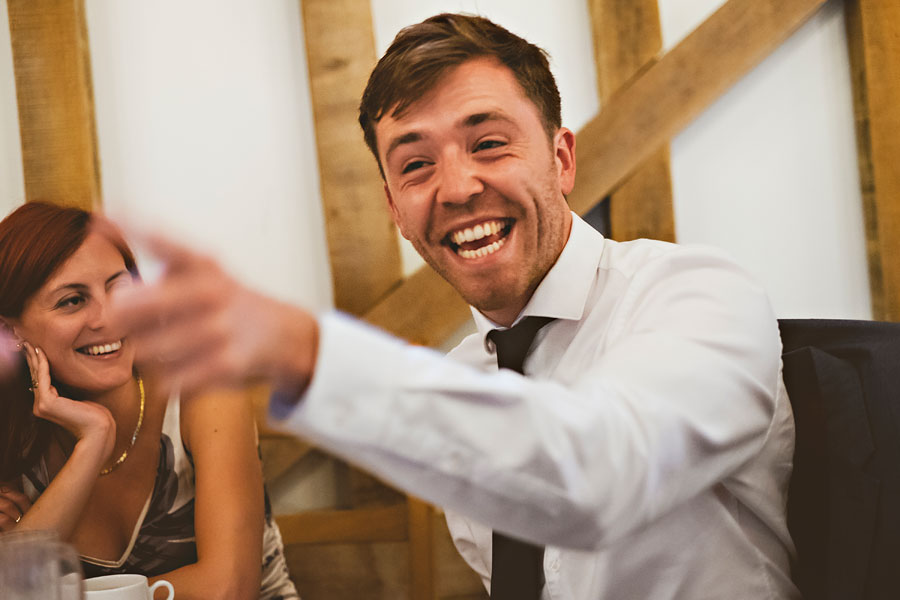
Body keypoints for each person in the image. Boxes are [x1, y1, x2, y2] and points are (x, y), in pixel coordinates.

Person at [109, 13, 799, 599]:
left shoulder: (696, 292)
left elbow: (598, 473)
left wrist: (307, 351)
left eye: (489, 143)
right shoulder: (465, 380)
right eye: (415, 165)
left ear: (560, 158)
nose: (458, 186)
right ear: (394, 209)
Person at [0, 202, 298, 599]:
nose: (108, 317)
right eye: (72, 300)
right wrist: (93, 441)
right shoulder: (12, 431)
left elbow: (228, 589)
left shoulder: (204, 393)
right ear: (10, 329)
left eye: (118, 287)